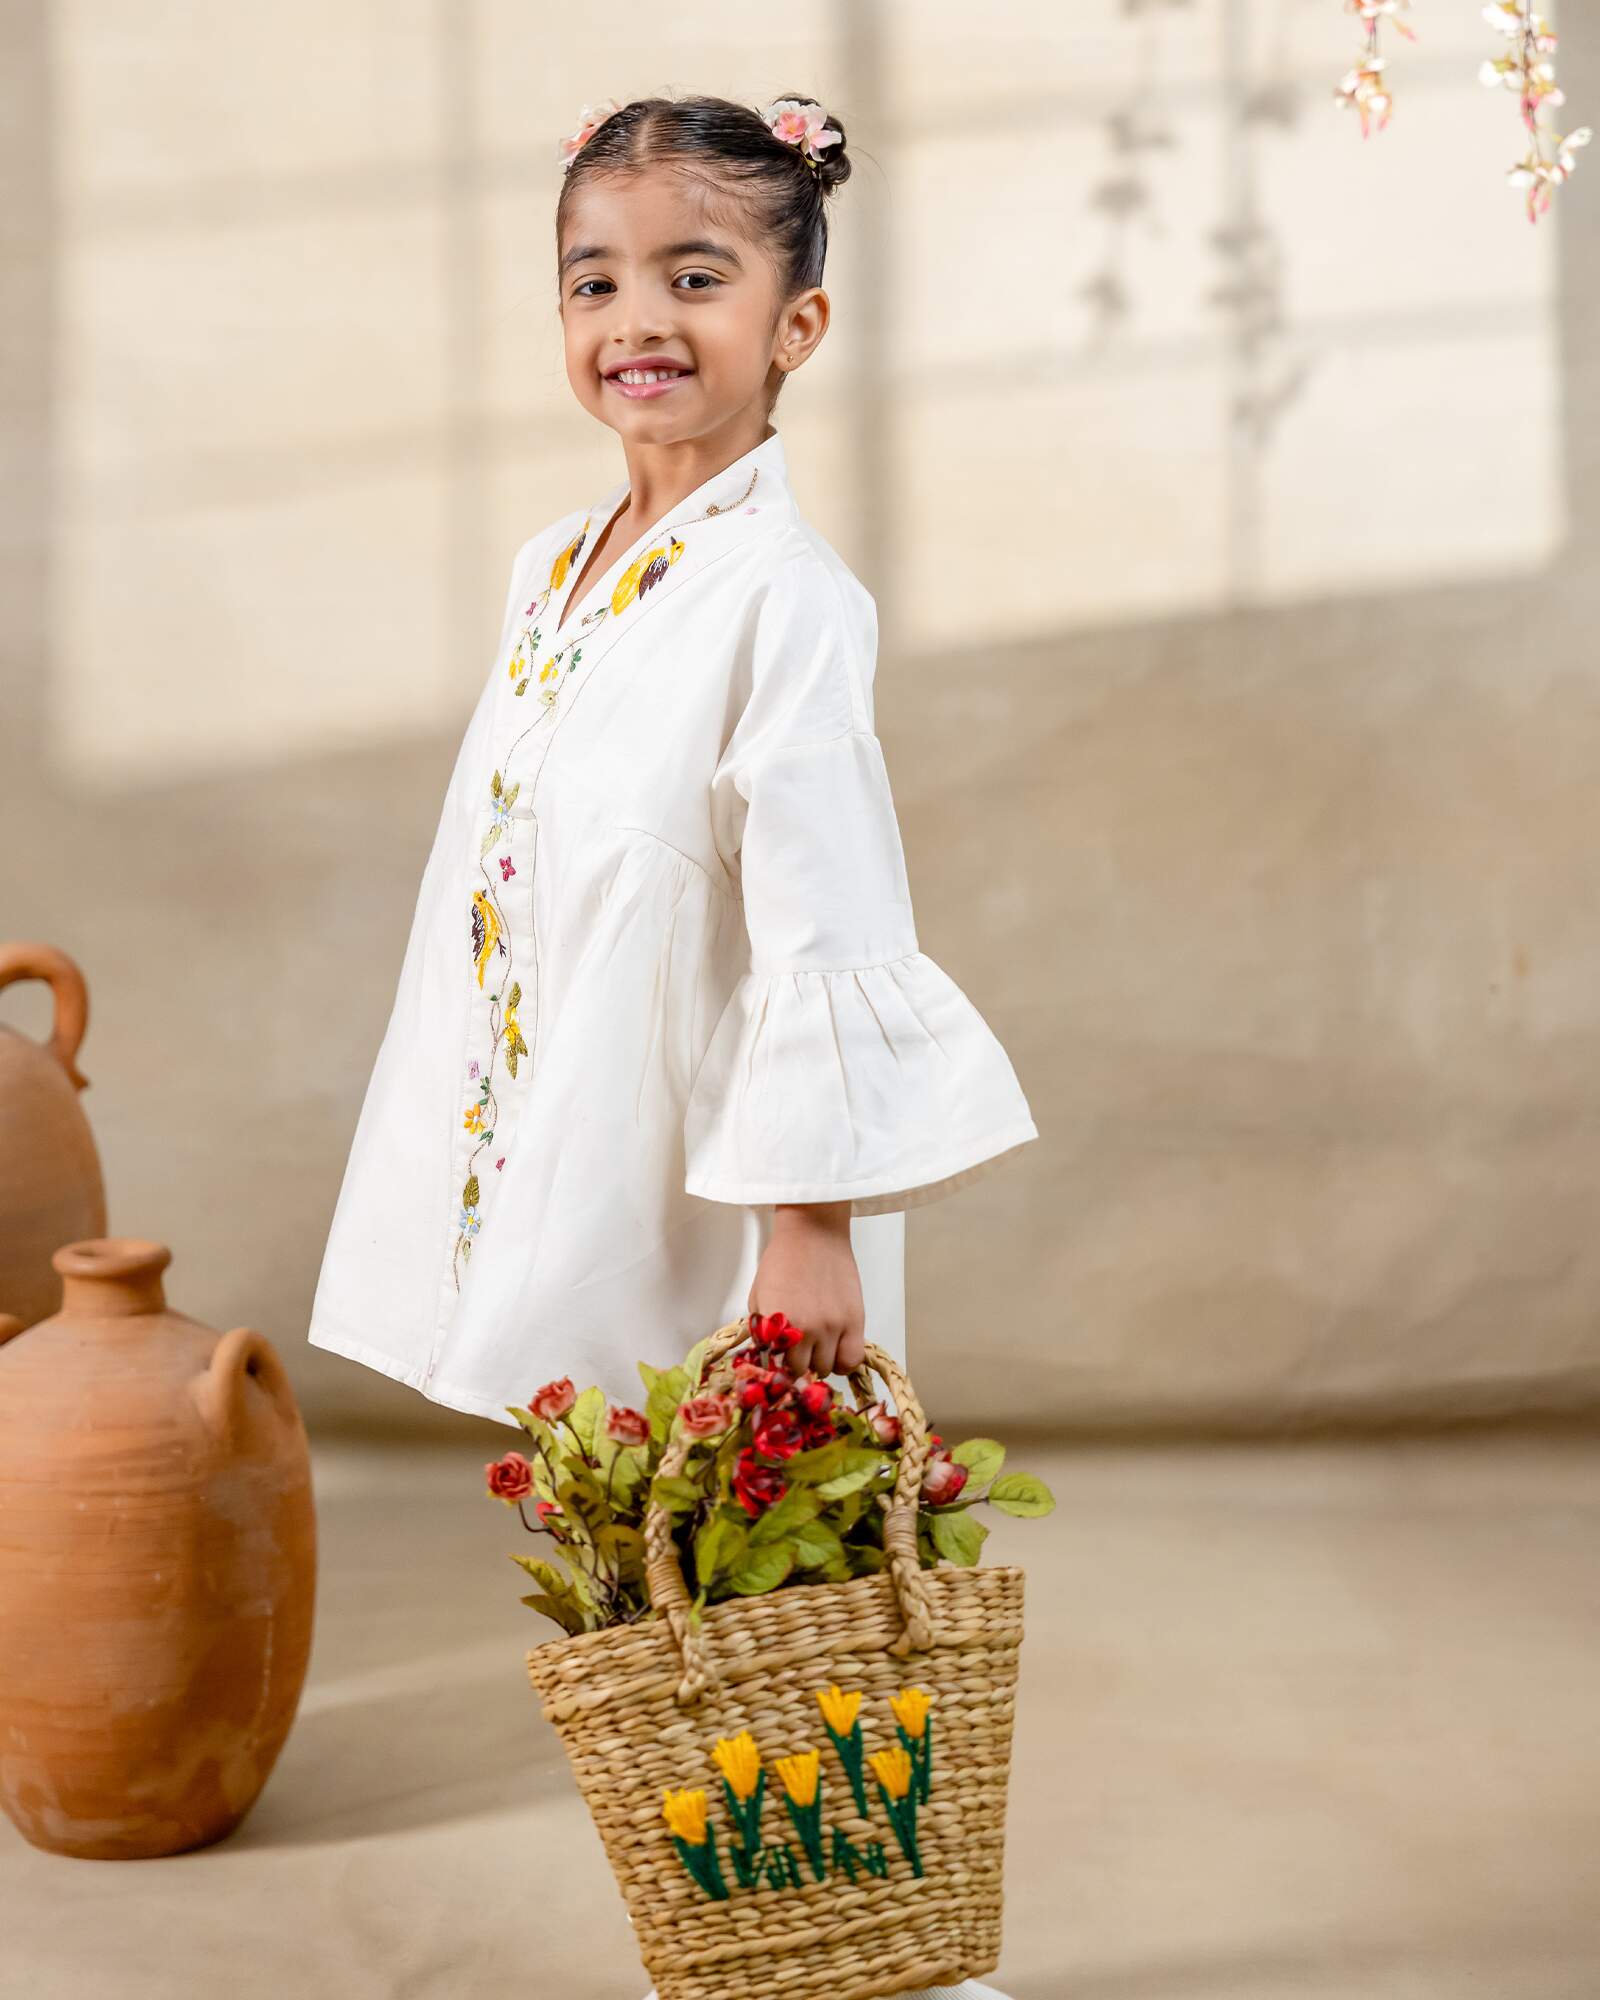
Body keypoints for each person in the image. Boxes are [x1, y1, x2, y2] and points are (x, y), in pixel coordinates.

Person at [307, 89, 1034, 2000]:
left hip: (737, 1198)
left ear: (795, 324)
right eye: (597, 277)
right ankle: (752, 1949)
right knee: (658, 1613)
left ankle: (884, 1956)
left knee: (783, 1595)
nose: (640, 316)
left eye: (697, 275)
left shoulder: (784, 603)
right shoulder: (563, 569)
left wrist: (810, 1228)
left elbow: (824, 924)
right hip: (579, 1141)